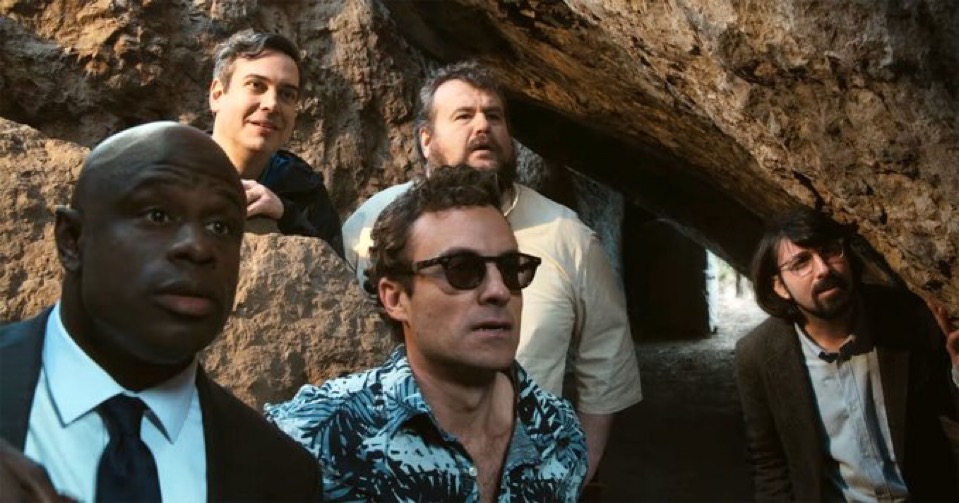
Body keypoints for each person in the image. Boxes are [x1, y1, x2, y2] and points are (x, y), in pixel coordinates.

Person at [341, 60, 641, 482]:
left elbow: (606, 361)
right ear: (426, 140)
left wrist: (575, 476)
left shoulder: (566, 236)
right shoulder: (371, 225)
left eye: (494, 116)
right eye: (464, 115)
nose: (482, 126)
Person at [0, 122, 322, 502]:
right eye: (157, 216)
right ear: (72, 240)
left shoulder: (283, 475)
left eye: (220, 226)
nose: (198, 248)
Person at [267, 165, 587, 501]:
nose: (499, 291)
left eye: (509, 269)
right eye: (461, 269)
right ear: (395, 298)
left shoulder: (560, 434)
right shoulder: (317, 436)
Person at [735, 207, 959, 501]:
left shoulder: (905, 316)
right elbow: (769, 462)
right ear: (780, 286)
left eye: (830, 251)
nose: (823, 269)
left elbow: (950, 406)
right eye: (801, 262)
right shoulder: (758, 355)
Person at [209, 29, 344, 257]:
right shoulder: (166, 166)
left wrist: (287, 216)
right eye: (256, 85)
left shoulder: (304, 190)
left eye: (286, 94)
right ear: (218, 94)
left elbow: (336, 274)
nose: (272, 104)